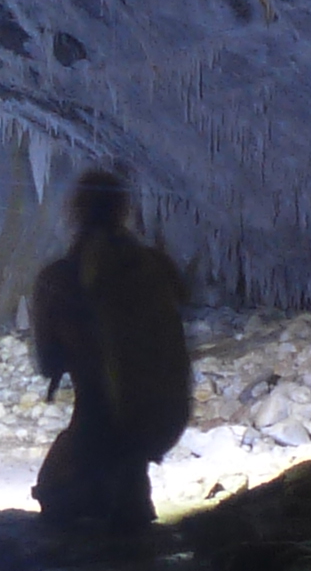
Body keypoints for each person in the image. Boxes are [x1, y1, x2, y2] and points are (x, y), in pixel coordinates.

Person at [28, 169, 190, 537]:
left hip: (93, 432)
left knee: (59, 501)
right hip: (148, 428)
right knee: (133, 528)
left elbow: (47, 361)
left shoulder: (59, 279)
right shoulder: (154, 268)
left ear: (76, 213)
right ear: (123, 211)